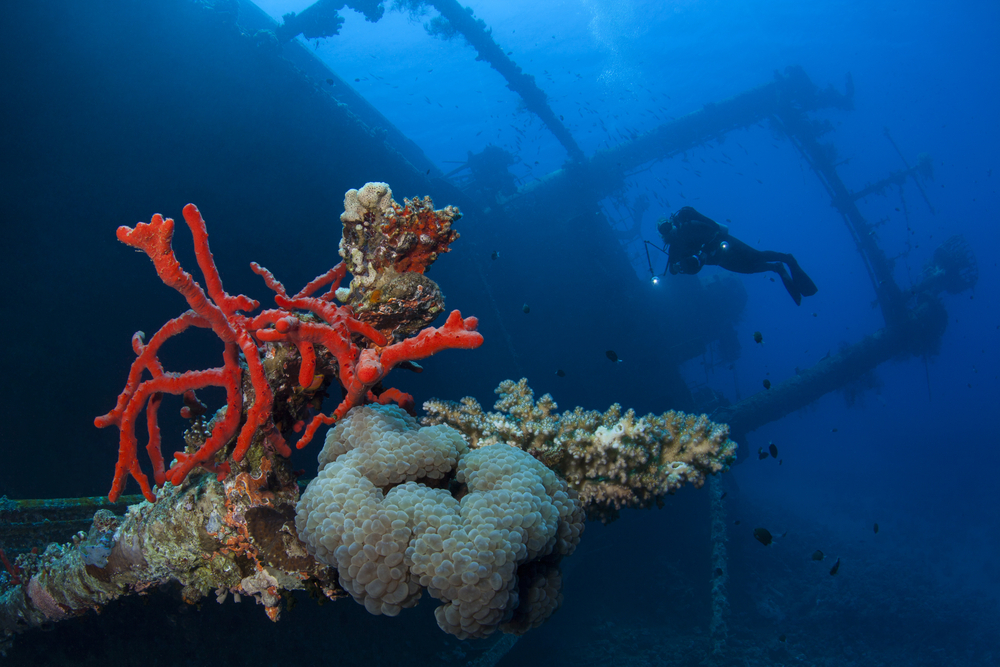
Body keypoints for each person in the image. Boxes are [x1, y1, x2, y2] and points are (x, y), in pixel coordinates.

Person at [657, 207, 817, 305]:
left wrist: (705, 250)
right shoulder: (675, 248)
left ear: (672, 223)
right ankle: (776, 268)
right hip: (721, 260)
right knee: (750, 269)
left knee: (757, 257)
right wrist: (679, 266)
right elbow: (671, 269)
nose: (668, 230)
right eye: (663, 230)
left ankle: (787, 259)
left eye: (667, 226)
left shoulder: (689, 226)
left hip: (727, 245)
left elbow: (713, 229)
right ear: (662, 235)